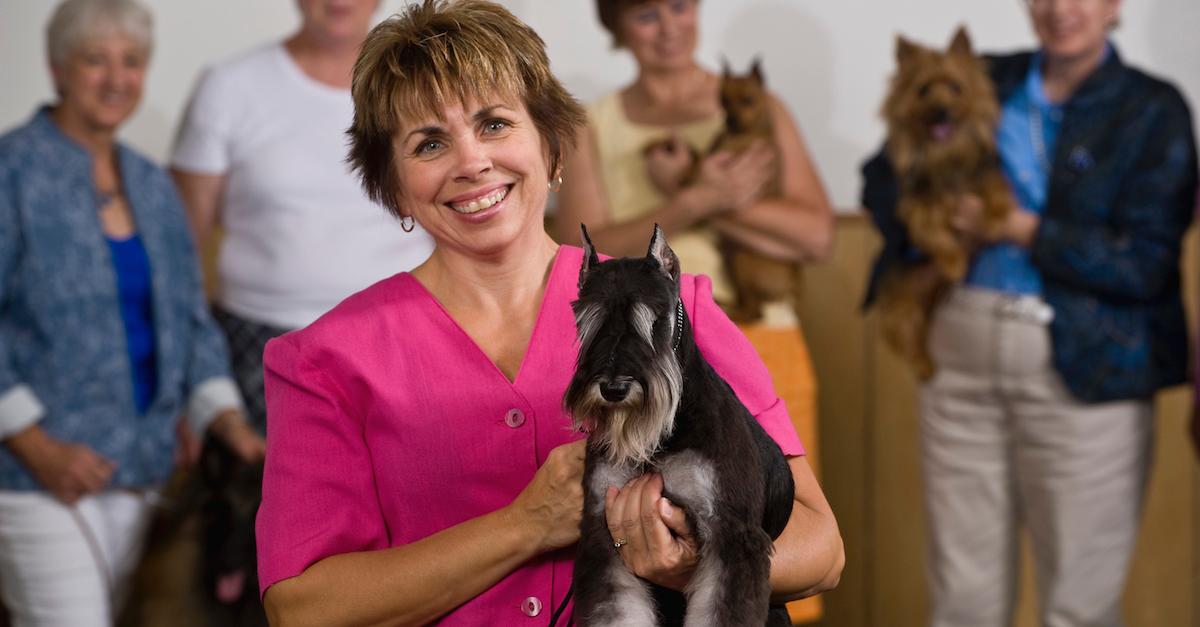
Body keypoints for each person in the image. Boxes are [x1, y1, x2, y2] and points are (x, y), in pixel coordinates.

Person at [255, 1, 843, 625]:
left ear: (552, 147)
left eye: (495, 125)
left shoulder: (683, 309)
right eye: (429, 143)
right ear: (392, 184)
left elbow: (821, 547)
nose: (471, 162)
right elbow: (303, 608)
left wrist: (689, 559)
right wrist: (525, 524)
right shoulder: (321, 360)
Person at [860, 1, 1198, 625]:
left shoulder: (1153, 109)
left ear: (1114, 6)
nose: (1060, 8)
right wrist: (933, 231)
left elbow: (1145, 263)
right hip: (959, 358)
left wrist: (1019, 229)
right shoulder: (987, 76)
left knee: (1078, 602)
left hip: (1088, 370)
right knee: (962, 598)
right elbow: (880, 183)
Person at [0, 1, 265, 624]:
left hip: (145, 471)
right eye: (96, 60)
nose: (116, 78)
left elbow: (190, 321)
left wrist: (228, 423)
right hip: (38, 472)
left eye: (132, 61)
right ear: (57, 67)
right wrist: (35, 445)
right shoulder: (10, 172)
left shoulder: (151, 184)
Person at [553, 0, 835, 502]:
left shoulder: (756, 106)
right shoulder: (591, 125)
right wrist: (695, 199)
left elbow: (814, 236)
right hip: (645, 350)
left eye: (679, 7)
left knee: (780, 513)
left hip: (762, 334)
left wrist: (699, 195)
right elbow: (580, 252)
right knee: (658, 526)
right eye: (645, 16)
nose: (668, 30)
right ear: (616, 28)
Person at [170, 0, 434, 433]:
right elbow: (180, 251)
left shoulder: (426, 86)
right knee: (277, 494)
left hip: (405, 335)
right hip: (259, 342)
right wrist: (195, 381)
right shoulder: (229, 87)